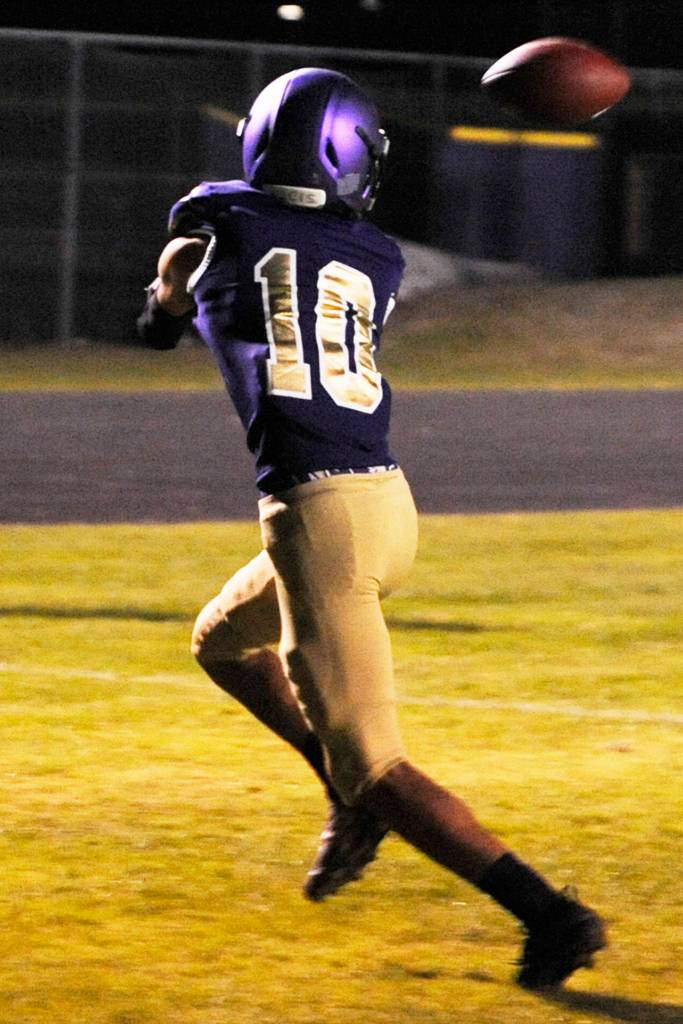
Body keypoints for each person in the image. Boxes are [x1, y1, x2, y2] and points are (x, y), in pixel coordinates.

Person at [137, 66, 606, 988]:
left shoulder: (212, 228)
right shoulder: (375, 257)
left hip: (318, 519)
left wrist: (165, 293)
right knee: (221, 642)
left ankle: (550, 915)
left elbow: (163, 317)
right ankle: (342, 798)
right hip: (384, 505)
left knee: (379, 765)